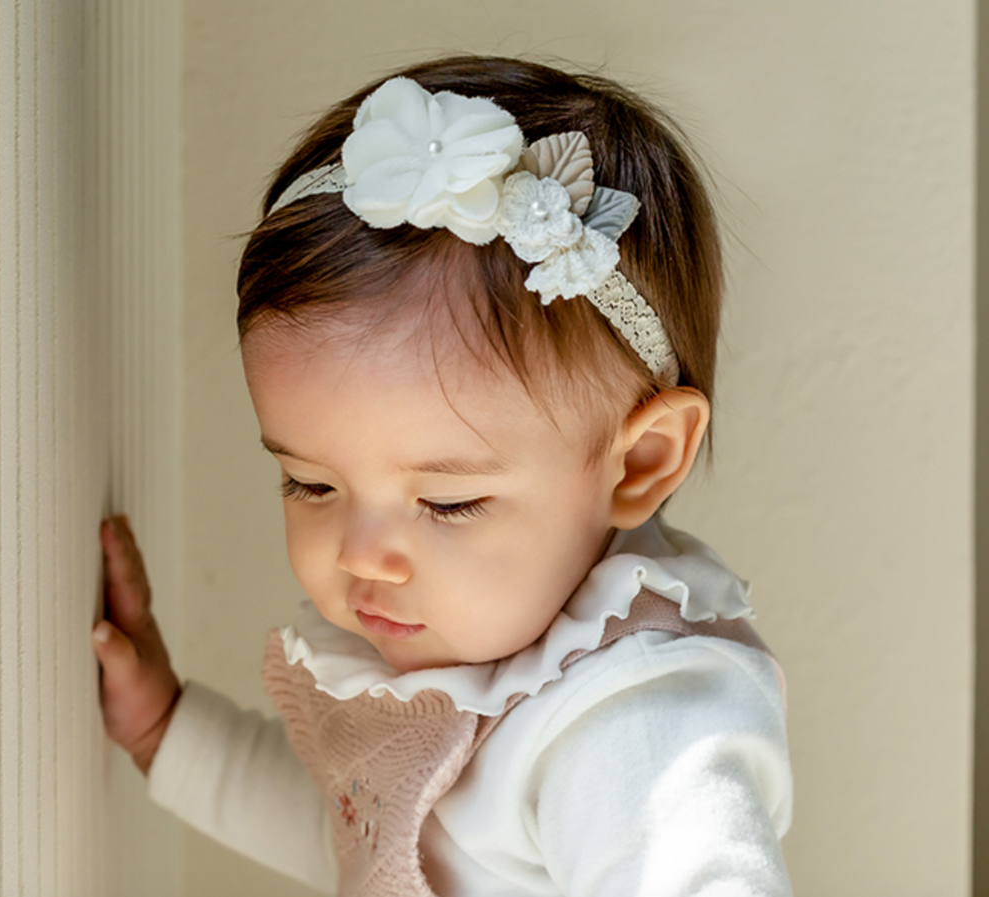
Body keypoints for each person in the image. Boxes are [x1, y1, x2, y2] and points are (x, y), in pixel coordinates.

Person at [94, 56, 793, 896]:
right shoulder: (477, 658)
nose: (362, 554)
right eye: (310, 484)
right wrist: (166, 728)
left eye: (447, 501)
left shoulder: (634, 713)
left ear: (638, 462)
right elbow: (368, 836)